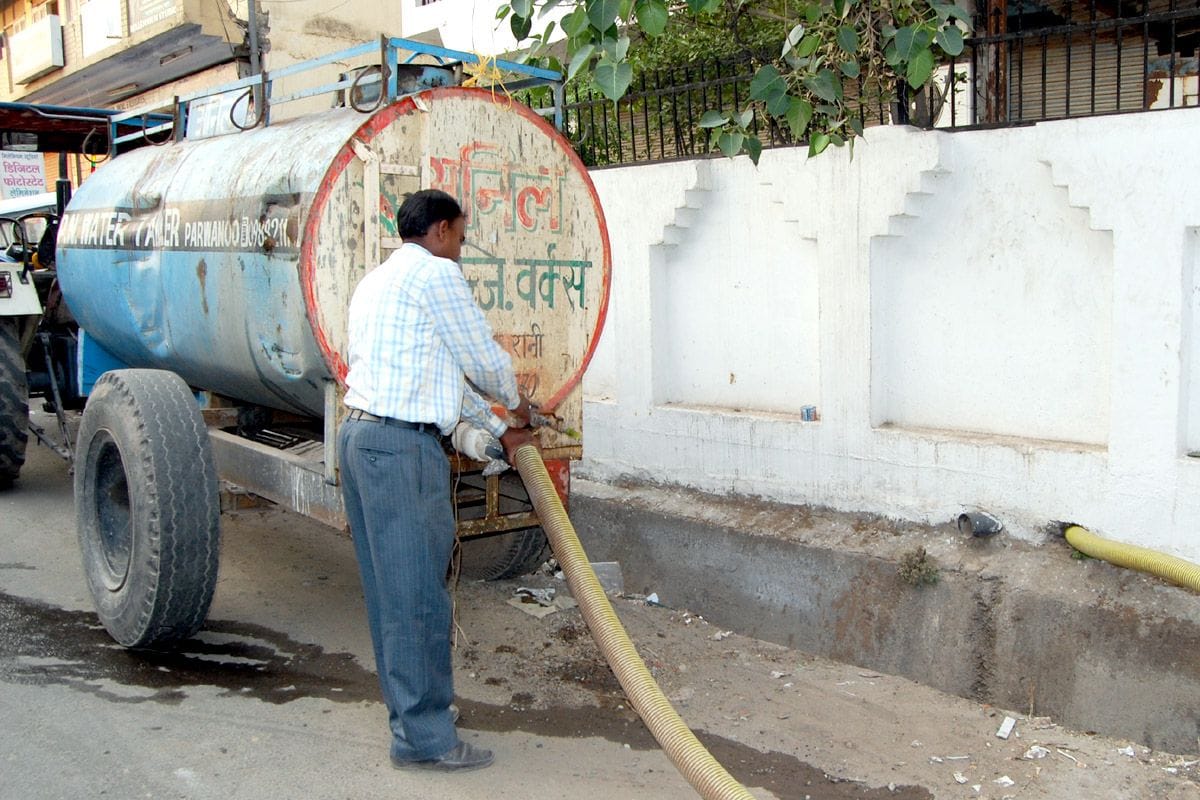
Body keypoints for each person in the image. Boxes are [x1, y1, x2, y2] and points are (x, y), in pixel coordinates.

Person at [338, 189, 534, 772]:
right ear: (443, 230)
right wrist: (518, 408)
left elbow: (440, 376)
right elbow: (481, 358)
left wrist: (491, 428)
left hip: (361, 439)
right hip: (400, 450)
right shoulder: (436, 277)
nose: (461, 250)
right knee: (420, 597)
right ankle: (424, 739)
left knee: (391, 596)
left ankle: (412, 718)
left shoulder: (376, 283)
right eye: (462, 237)